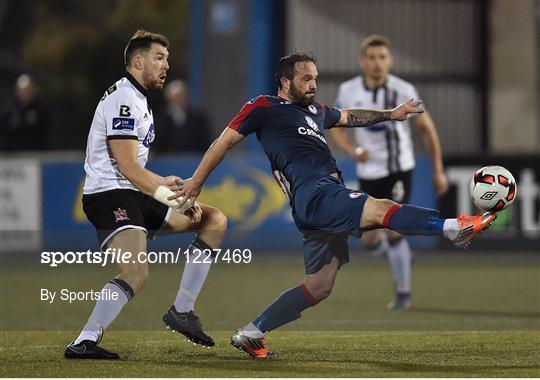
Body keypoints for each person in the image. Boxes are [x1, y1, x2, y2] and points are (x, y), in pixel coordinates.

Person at [169, 53, 495, 359]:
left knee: (320, 285)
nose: (313, 84)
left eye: (315, 78)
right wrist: (197, 180)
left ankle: (252, 332)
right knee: (381, 208)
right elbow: (224, 141)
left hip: (319, 199)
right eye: (306, 79)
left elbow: (351, 117)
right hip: (316, 193)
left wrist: (392, 115)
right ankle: (452, 227)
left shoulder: (316, 112)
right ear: (285, 81)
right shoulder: (264, 106)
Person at [64, 30, 227, 360]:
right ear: (137, 62)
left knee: (214, 221)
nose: (167, 65)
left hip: (134, 194)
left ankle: (182, 310)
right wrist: (170, 197)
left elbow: (135, 168)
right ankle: (83, 342)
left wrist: (161, 182)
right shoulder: (123, 99)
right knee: (137, 273)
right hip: (110, 196)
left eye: (167, 58)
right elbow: (126, 166)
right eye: (159, 58)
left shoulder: (139, 100)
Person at [330, 35, 449, 310]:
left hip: (398, 170)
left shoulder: (403, 89)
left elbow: (427, 129)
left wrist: (438, 170)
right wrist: (351, 151)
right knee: (369, 239)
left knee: (394, 228)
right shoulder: (348, 90)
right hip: (368, 171)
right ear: (362, 61)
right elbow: (335, 124)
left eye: (382, 57)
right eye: (371, 57)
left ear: (390, 60)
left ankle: (403, 293)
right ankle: (402, 256)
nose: (376, 63)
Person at [153, 80, 213, 153]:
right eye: (175, 98)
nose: (179, 101)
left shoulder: (198, 117)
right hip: (168, 161)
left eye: (181, 97)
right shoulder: (162, 119)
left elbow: (206, 142)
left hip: (194, 160)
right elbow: (156, 145)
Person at [0, 74, 51, 151]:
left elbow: (46, 133)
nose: (25, 94)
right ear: (17, 91)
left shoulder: (40, 109)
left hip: (36, 155)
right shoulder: (9, 110)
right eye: (22, 91)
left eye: (28, 91)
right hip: (12, 156)